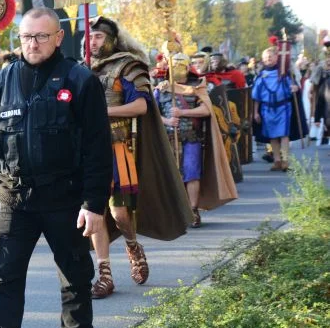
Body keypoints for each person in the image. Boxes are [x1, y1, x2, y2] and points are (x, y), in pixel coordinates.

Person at [0, 7, 112, 328]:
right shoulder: (3, 80)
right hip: (15, 197)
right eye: (27, 37)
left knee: (75, 280)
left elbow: (98, 148)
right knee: (5, 279)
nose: (33, 43)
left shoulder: (80, 80)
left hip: (65, 197)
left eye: (42, 37)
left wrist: (94, 204)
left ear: (58, 37)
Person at [85, 17, 190, 299]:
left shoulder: (128, 66)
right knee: (95, 213)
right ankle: (104, 273)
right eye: (90, 36)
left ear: (111, 40)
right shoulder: (81, 71)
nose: (92, 42)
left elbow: (142, 106)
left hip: (117, 148)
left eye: (98, 37)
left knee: (119, 213)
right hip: (88, 153)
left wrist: (102, 113)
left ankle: (132, 244)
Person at [155, 52, 237, 227]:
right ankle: (175, 211)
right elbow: (152, 113)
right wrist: (168, 120)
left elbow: (206, 110)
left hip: (191, 136)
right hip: (168, 138)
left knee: (192, 173)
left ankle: (193, 210)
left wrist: (183, 112)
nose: (176, 69)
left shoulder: (197, 87)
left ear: (187, 68)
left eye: (180, 65)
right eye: (174, 65)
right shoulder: (161, 88)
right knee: (171, 175)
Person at [252, 46, 299, 172]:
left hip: (283, 107)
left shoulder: (285, 74)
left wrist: (295, 88)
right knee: (272, 136)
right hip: (267, 109)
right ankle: (276, 160)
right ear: (262, 59)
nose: (268, 59)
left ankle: (285, 161)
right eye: (266, 57)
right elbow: (256, 96)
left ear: (276, 58)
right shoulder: (261, 76)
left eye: (271, 56)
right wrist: (255, 112)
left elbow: (293, 88)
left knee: (284, 134)